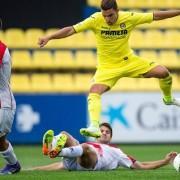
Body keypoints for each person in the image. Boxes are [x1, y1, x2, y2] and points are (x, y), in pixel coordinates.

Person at [38, 0, 180, 138]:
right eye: (104, 15)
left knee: (163, 72)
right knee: (94, 91)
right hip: (107, 67)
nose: (107, 19)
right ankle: (94, 126)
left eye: (110, 15)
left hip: (129, 61)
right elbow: (71, 30)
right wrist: (50, 36)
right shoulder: (95, 19)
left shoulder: (129, 17)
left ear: (117, 11)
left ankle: (167, 99)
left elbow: (156, 15)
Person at [30, 123, 177, 171]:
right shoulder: (90, 142)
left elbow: (141, 165)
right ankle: (51, 149)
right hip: (75, 159)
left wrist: (164, 161)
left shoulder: (117, 152)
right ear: (96, 134)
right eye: (101, 131)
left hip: (90, 162)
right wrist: (34, 170)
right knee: (64, 134)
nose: (104, 133)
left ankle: (56, 150)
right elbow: (60, 166)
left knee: (85, 148)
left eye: (107, 132)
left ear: (111, 137)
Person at [0, 40, 21, 175]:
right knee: (1, 141)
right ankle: (14, 164)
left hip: (3, 102)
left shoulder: (0, 47)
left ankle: (13, 165)